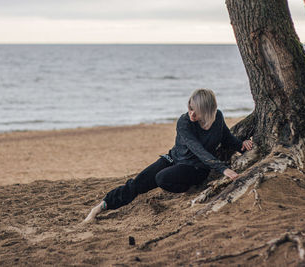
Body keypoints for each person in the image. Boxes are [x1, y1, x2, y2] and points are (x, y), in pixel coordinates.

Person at [82, 89, 253, 223]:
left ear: (208, 112)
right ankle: (101, 207)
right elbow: (196, 148)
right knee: (139, 182)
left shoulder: (218, 118)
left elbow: (225, 137)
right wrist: (223, 169)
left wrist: (241, 145)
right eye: (190, 108)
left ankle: (189, 187)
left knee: (162, 178)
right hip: (173, 159)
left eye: (196, 111)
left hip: (196, 168)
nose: (191, 113)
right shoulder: (184, 122)